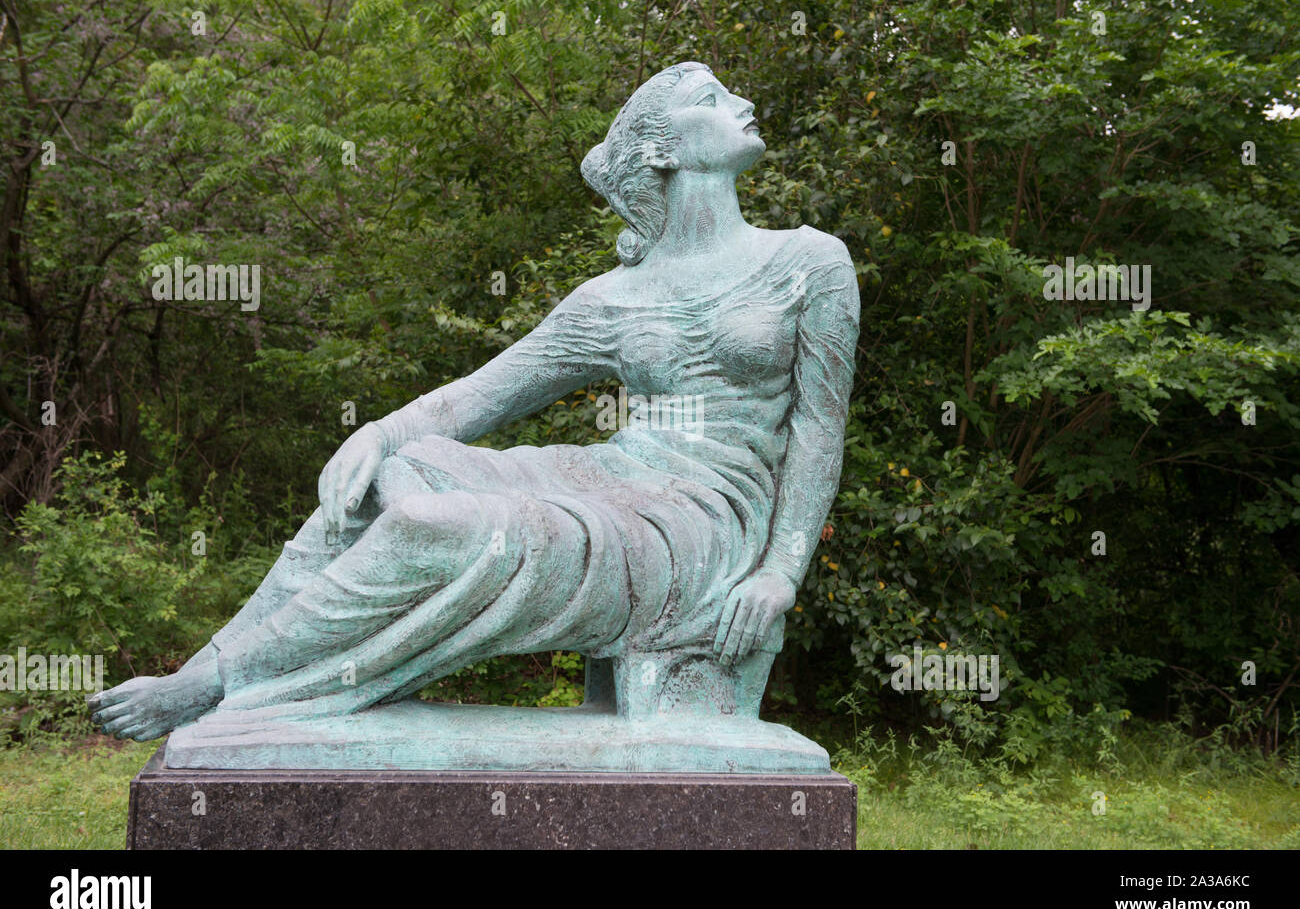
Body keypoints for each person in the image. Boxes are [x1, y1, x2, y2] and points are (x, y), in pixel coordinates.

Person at [90, 61, 859, 741]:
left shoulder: (809, 261)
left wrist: (778, 575)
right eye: (713, 97)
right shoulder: (612, 298)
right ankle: (207, 671)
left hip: (702, 527)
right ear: (663, 150)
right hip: (611, 476)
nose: (742, 102)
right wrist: (380, 434)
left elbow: (820, 432)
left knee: (439, 523)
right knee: (394, 476)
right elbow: (479, 395)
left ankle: (222, 685)